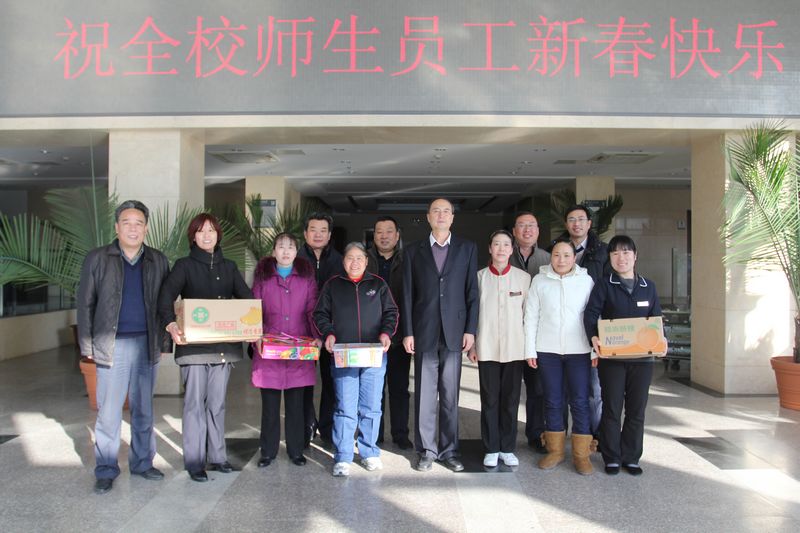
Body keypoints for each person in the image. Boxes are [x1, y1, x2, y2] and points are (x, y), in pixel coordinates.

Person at [77, 200, 170, 495]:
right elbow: (85, 303)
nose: (133, 228)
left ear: (146, 228)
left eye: (138, 223)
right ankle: (106, 468)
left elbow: (165, 305)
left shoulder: (157, 260)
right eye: (127, 223)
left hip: (146, 343)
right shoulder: (98, 258)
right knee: (109, 412)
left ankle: (142, 463)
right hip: (111, 345)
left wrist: (164, 341)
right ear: (117, 227)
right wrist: (87, 343)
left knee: (144, 409)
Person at [158, 213, 252, 482]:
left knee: (217, 404)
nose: (207, 235)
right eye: (201, 231)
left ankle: (218, 457)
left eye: (211, 230)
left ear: (218, 234)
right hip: (194, 349)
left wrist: (252, 324)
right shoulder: (184, 266)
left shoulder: (229, 267)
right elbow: (165, 298)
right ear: (194, 236)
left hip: (223, 347)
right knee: (194, 405)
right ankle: (195, 461)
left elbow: (247, 300)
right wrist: (170, 325)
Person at [402, 198, 479, 473]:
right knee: (424, 395)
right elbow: (407, 294)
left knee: (450, 396)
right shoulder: (413, 251)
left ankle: (449, 450)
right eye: (436, 211)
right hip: (424, 330)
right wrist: (408, 332)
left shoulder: (467, 248)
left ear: (453, 218)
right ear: (428, 217)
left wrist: (471, 329)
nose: (441, 215)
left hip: (454, 332)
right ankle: (426, 450)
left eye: (446, 211)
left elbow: (472, 292)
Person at [313, 242, 398, 477]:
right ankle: (343, 456)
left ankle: (369, 452)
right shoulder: (333, 285)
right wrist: (329, 333)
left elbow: (391, 313)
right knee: (345, 407)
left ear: (366, 261)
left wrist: (386, 333)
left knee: (371, 407)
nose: (355, 262)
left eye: (359, 258)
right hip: (344, 355)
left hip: (373, 355)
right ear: (344, 261)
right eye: (350, 258)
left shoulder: (378, 284)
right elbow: (320, 313)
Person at [583, 235, 663, 477]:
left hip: (643, 361)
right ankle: (612, 457)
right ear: (610, 258)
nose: (621, 258)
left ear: (635, 256)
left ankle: (631, 457)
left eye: (626, 252)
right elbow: (590, 314)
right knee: (612, 409)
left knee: (637, 410)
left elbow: (656, 319)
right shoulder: (604, 285)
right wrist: (593, 336)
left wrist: (663, 340)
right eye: (615, 253)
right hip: (612, 360)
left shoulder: (648, 287)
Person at [524, 239, 595, 475]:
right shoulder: (540, 280)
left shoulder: (585, 281)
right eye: (556, 255)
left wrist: (595, 349)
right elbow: (531, 316)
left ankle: (581, 455)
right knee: (553, 400)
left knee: (580, 401)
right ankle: (555, 451)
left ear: (574, 258)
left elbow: (593, 317)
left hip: (579, 351)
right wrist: (530, 350)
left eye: (566, 255)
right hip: (547, 350)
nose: (561, 260)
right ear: (550, 257)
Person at [251, 232, 320, 468]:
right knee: (270, 406)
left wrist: (317, 337)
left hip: (299, 349)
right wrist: (256, 337)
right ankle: (268, 452)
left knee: (296, 405)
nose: (286, 251)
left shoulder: (306, 279)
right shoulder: (263, 278)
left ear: (296, 252)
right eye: (281, 246)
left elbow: (312, 310)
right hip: (269, 349)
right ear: (274, 252)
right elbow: (254, 311)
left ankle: (296, 450)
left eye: (291, 247)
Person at [468, 230, 530, 468]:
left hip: (515, 348)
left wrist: (530, 349)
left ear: (512, 249)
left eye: (506, 244)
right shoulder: (479, 278)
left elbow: (529, 316)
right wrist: (473, 344)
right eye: (497, 244)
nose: (501, 249)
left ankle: (507, 447)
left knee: (511, 400)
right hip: (487, 347)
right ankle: (491, 447)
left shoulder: (523, 278)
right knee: (490, 399)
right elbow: (473, 314)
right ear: (490, 248)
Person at [553, 204, 609, 441]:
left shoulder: (604, 252)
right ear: (566, 224)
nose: (576, 224)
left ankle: (592, 437)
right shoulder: (556, 249)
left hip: (593, 330)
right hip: (562, 332)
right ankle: (558, 437)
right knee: (561, 391)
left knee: (593, 389)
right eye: (572, 219)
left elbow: (608, 290)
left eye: (581, 219)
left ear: (589, 224)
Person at [297, 212, 344, 446]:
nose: (318, 235)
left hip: (331, 331)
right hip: (301, 330)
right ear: (305, 233)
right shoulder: (295, 259)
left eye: (323, 230)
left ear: (329, 234)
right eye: (313, 230)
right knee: (303, 381)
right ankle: (307, 424)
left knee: (331, 380)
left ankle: (327, 428)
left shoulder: (340, 261)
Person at [366, 216, 413, 450]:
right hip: (369, 336)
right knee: (373, 390)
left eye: (389, 231)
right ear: (374, 236)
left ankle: (400, 433)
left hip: (399, 336)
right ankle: (374, 434)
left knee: (399, 388)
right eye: (379, 232)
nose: (384, 236)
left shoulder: (408, 260)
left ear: (397, 236)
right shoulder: (364, 260)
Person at [509, 211, 550, 453]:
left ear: (538, 231)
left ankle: (536, 434)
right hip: (511, 334)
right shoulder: (503, 253)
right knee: (510, 388)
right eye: (522, 225)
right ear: (514, 231)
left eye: (532, 225)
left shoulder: (548, 259)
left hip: (538, 335)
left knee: (537, 389)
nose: (527, 230)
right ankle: (506, 436)